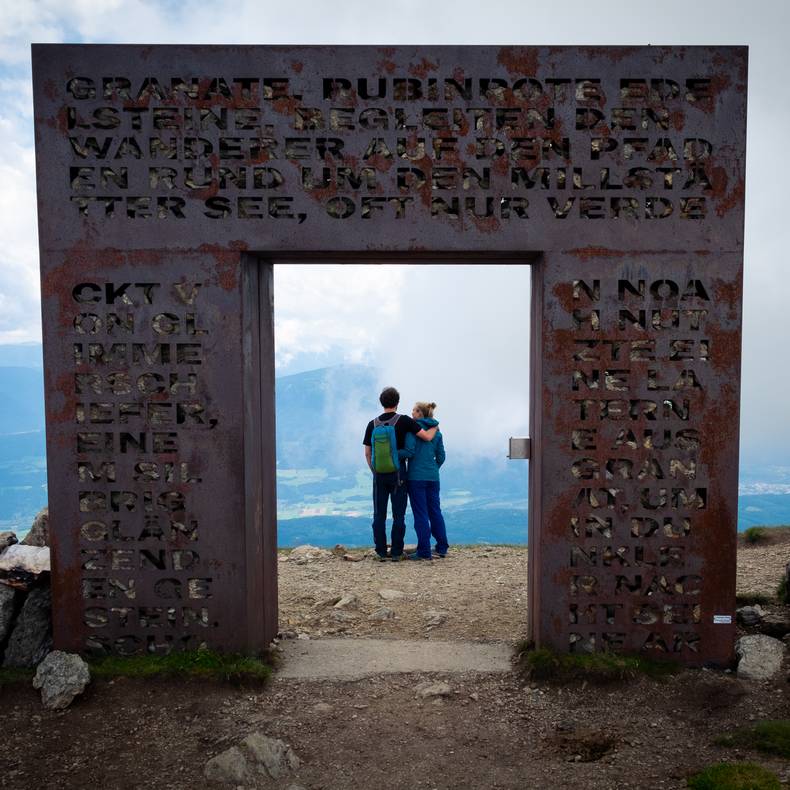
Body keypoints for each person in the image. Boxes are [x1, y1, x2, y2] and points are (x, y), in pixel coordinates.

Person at [363, 387, 437, 562]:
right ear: (397, 403)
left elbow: (367, 453)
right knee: (398, 514)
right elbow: (426, 437)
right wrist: (435, 426)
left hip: (379, 475)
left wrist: (375, 470)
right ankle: (396, 551)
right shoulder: (404, 421)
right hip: (398, 475)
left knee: (379, 514)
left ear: (382, 403)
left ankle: (381, 551)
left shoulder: (372, 424)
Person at [402, 401, 448, 560]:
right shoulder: (438, 433)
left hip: (416, 478)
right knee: (435, 512)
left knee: (420, 514)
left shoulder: (412, 431)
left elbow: (409, 452)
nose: (412, 413)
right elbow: (441, 457)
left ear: (420, 413)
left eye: (414, 411)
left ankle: (424, 551)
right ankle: (442, 548)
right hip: (433, 478)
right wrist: (433, 468)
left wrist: (394, 454)